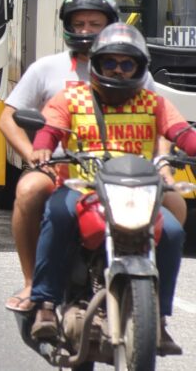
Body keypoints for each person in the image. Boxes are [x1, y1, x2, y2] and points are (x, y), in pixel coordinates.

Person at [28, 23, 196, 354]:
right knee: (56, 215)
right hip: (82, 188)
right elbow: (50, 130)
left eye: (126, 64)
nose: (118, 71)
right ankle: (45, 303)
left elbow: (181, 133)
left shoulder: (154, 103)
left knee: (174, 232)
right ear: (97, 65)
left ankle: (158, 321)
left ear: (139, 68)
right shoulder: (72, 97)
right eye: (110, 64)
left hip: (137, 192)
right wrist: (43, 147)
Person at [0, 0, 121, 311]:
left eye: (95, 24)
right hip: (62, 168)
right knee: (27, 192)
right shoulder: (46, 69)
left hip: (121, 174)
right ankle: (31, 282)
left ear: (111, 25)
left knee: (170, 207)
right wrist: (34, 157)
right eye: (79, 23)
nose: (86, 30)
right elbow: (6, 118)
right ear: (67, 26)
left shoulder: (130, 68)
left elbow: (161, 119)